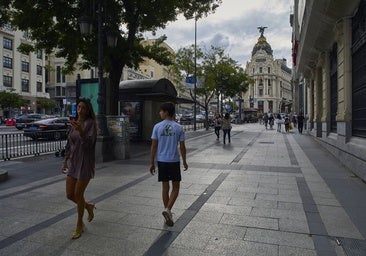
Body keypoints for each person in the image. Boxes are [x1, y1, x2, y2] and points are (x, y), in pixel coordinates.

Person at [62, 98, 97, 239]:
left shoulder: (91, 124)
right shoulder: (74, 124)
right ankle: (88, 206)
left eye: (83, 108)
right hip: (74, 163)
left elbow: (89, 144)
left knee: (78, 194)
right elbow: (69, 144)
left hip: (85, 163)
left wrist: (82, 132)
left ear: (88, 110)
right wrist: (65, 161)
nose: (80, 110)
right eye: (78, 107)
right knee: (70, 194)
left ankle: (79, 225)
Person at [149, 102, 188, 227]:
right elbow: (182, 147)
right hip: (174, 161)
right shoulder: (178, 127)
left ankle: (167, 212)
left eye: (161, 111)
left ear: (166, 112)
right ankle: (168, 210)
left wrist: (152, 163)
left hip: (162, 161)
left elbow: (153, 146)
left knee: (165, 188)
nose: (160, 113)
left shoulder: (157, 127)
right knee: (176, 188)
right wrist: (185, 161)